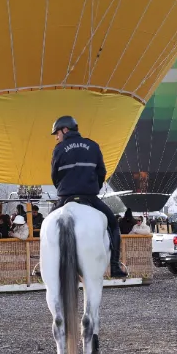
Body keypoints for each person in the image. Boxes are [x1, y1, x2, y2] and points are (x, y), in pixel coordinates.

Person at [49, 115, 127, 278]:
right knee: (113, 225)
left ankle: (46, 266)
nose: (57, 137)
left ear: (65, 129)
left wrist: (63, 190)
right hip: (90, 197)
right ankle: (114, 266)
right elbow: (101, 172)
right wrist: (93, 188)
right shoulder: (93, 145)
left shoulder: (58, 148)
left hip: (66, 197)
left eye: (57, 133)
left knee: (46, 227)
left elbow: (54, 175)